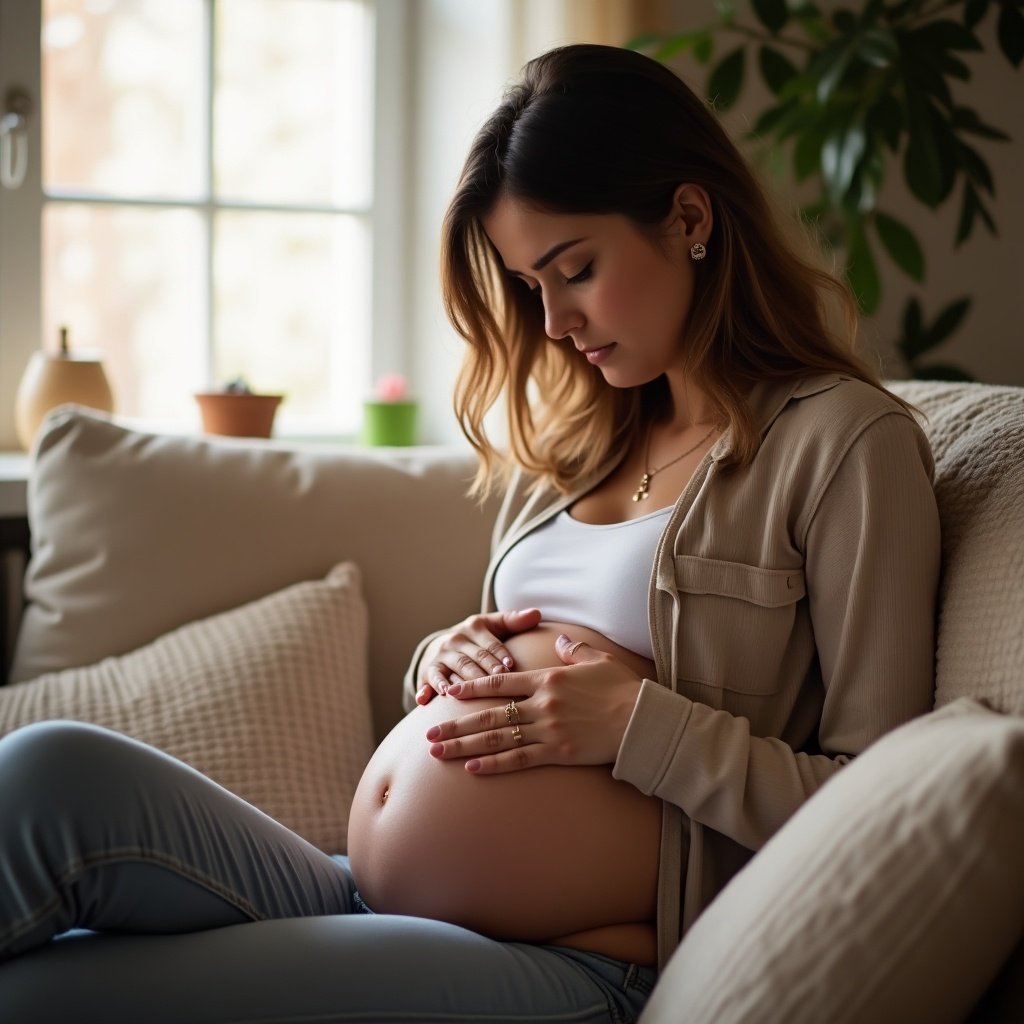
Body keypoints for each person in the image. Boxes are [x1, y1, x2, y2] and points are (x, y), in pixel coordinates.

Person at [0, 43, 939, 1023]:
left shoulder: (842, 444)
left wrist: (634, 723)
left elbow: (880, 810)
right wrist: (446, 656)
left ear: (690, 218)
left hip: (585, 963)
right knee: (47, 771)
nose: (553, 320)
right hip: (367, 889)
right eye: (531, 282)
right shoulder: (592, 439)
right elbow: (531, 663)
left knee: (42, 997)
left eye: (574, 269)